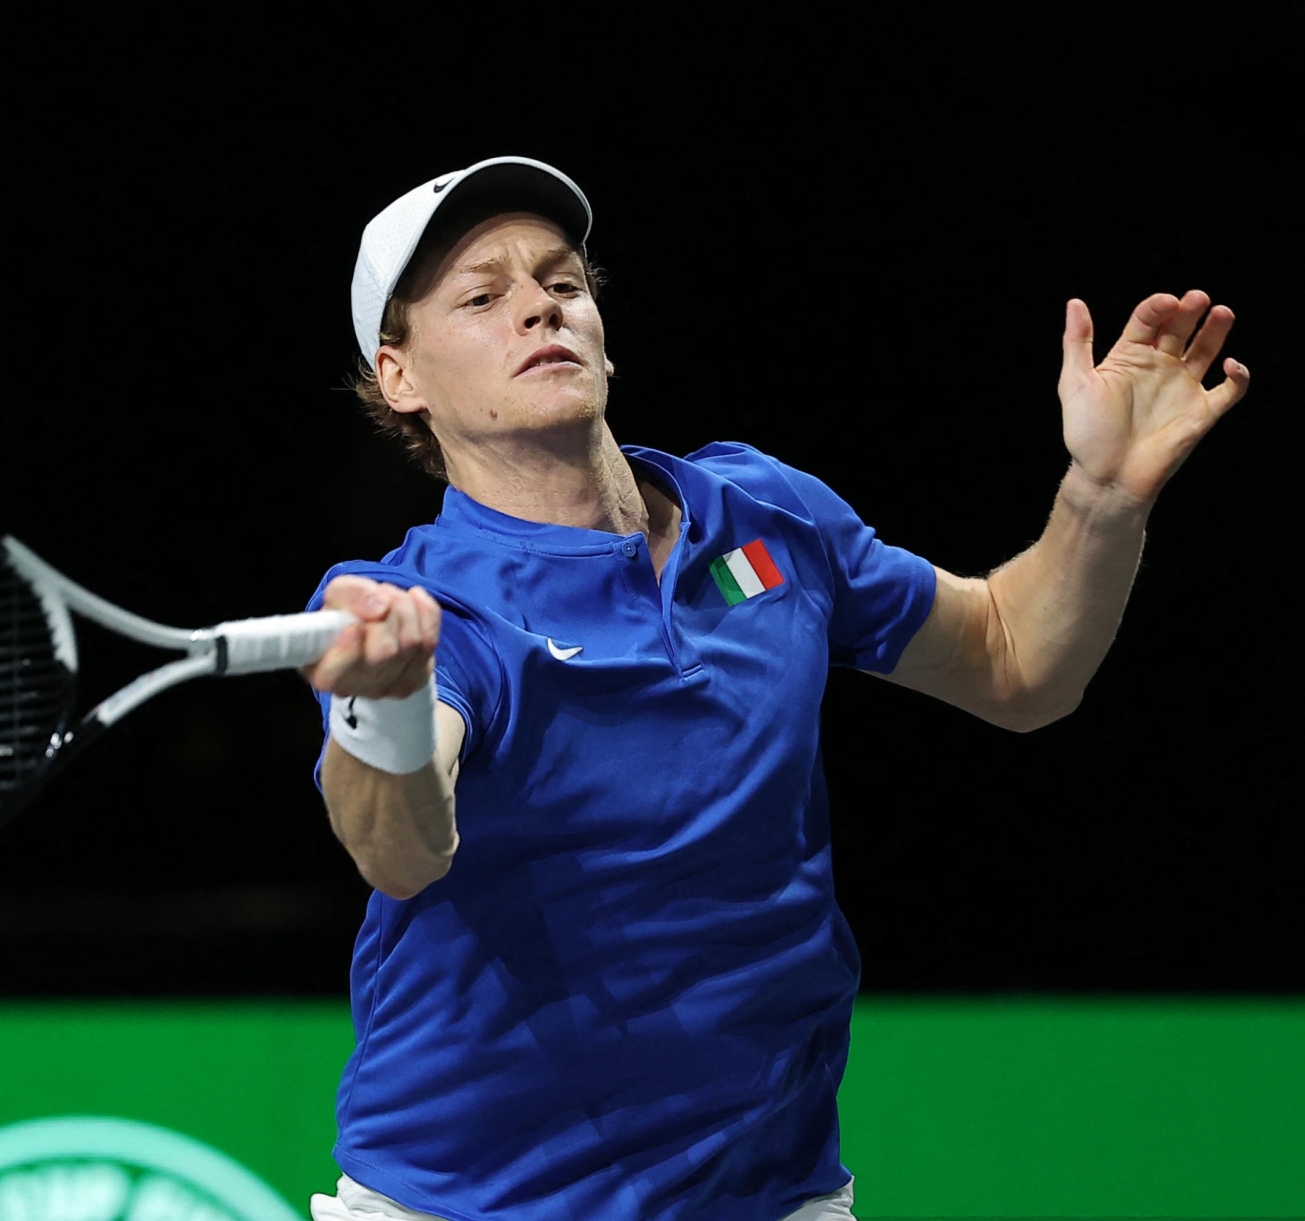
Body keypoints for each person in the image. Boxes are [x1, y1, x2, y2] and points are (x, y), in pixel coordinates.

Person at [299, 158, 1248, 1221]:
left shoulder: (762, 512)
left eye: (562, 282)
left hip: (773, 1191)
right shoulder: (415, 604)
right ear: (400, 377)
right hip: (471, 1202)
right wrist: (379, 704)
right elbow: (400, 847)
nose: (537, 307)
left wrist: (1104, 496)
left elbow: (1018, 663)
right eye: (482, 296)